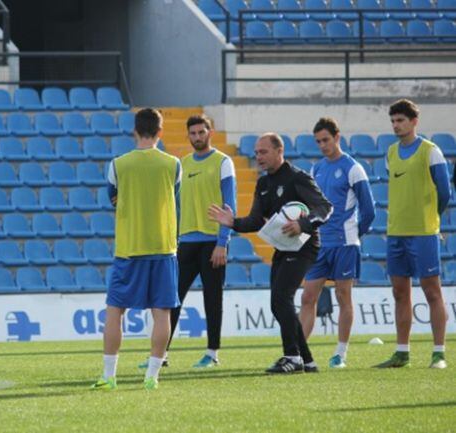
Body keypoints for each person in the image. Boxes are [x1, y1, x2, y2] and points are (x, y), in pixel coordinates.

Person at [209, 133, 333, 374]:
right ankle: (306, 360)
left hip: (305, 246)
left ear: (279, 151)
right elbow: (256, 220)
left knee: (280, 299)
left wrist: (303, 225)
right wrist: (232, 222)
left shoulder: (298, 178)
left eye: (263, 152)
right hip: (283, 247)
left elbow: (325, 208)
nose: (258, 157)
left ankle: (292, 357)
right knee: (278, 303)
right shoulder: (263, 184)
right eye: (256, 153)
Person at [91, 108, 181, 390]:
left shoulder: (118, 164)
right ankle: (152, 376)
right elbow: (173, 194)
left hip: (129, 248)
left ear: (135, 131)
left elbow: (113, 198)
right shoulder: (174, 164)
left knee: (115, 311)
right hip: (164, 248)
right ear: (160, 132)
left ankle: (109, 376)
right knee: (162, 314)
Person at [376, 99, 450, 369]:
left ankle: (439, 353)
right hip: (396, 232)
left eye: (401, 120)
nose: (396, 125)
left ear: (414, 122)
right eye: (393, 121)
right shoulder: (391, 152)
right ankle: (401, 352)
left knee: (432, 292)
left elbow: (445, 192)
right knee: (399, 293)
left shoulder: (431, 151)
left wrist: (434, 220)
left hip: (423, 233)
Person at [299, 118, 375, 369]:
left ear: (337, 137)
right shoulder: (316, 169)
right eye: (318, 141)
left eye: (326, 140)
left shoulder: (353, 168)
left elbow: (369, 210)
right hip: (320, 244)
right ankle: (298, 353)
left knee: (344, 297)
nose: (322, 145)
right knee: (308, 296)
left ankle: (340, 353)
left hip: (345, 244)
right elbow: (311, 207)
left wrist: (353, 235)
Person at [164, 114, 236, 369]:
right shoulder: (181, 164)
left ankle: (212, 353)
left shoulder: (223, 162)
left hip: (212, 242)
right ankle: (161, 355)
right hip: (185, 242)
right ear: (188, 135)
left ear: (210, 132)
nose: (197, 137)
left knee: (212, 298)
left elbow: (230, 206)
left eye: (201, 132)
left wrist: (222, 242)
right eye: (193, 133)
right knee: (172, 298)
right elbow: (176, 206)